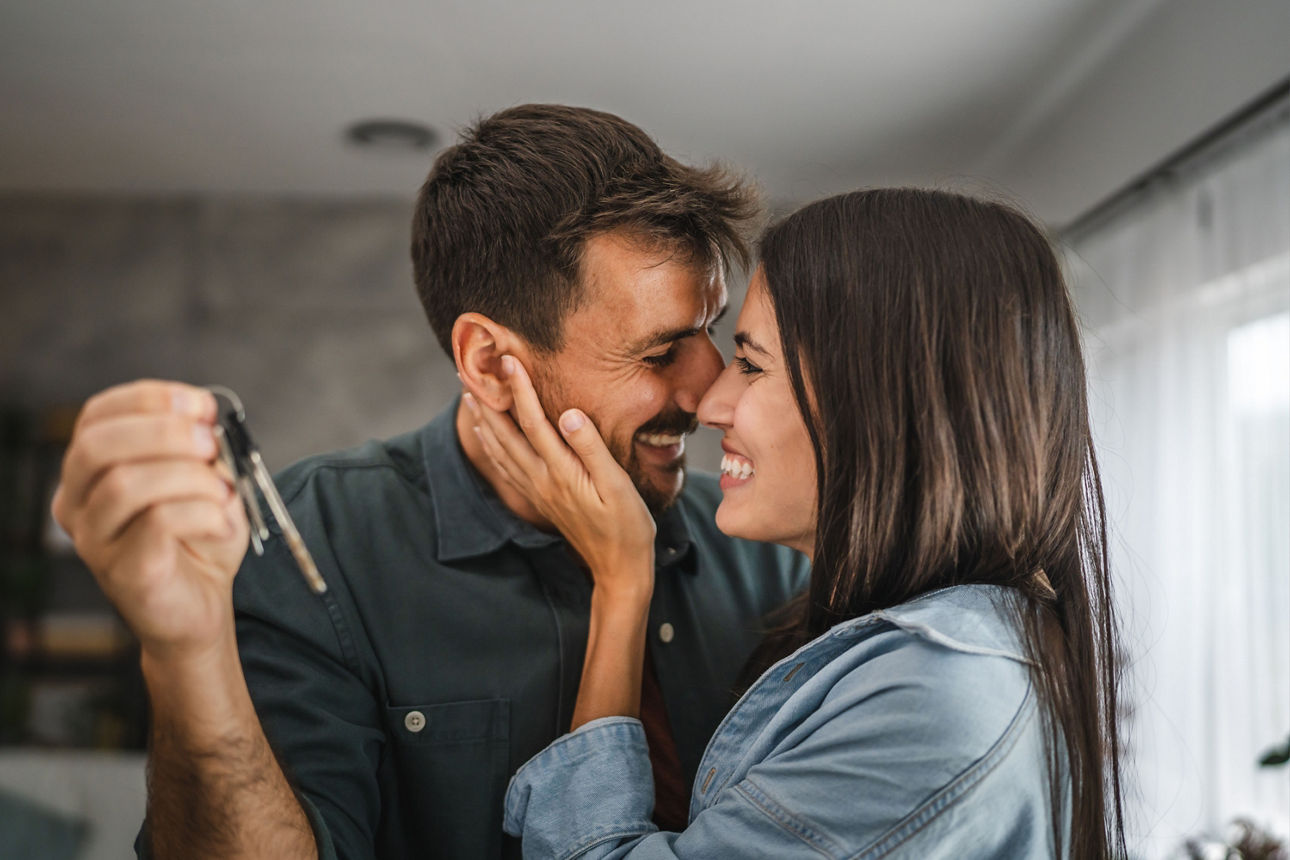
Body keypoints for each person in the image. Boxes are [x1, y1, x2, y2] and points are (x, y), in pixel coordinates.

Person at [50, 104, 809, 860]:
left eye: (709, 331)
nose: (712, 394)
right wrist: (184, 655)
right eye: (659, 352)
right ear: (487, 362)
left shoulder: (760, 544)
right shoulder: (313, 542)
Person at [470, 188, 1127, 857]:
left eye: (751, 365)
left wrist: (621, 583)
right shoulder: (894, 644)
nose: (711, 401)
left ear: (877, 404)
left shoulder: (933, 698)